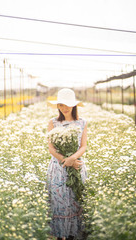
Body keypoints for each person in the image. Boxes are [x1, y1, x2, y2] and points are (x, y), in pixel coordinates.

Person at [47, 88, 87, 240]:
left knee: (75, 201)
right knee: (59, 203)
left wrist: (73, 159)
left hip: (76, 165)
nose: (64, 108)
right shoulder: (53, 122)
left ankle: (72, 235)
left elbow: (83, 146)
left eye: (67, 105)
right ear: (58, 106)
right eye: (61, 105)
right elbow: (51, 148)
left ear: (74, 105)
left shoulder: (82, 122)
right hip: (58, 167)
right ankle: (59, 236)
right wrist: (66, 160)